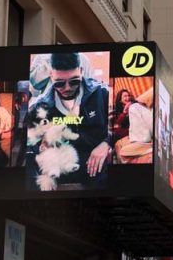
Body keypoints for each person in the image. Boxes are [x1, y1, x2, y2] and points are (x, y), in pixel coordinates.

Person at [27, 52, 112, 190]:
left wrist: (106, 143)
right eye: (59, 84)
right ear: (51, 75)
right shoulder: (40, 106)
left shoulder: (101, 94)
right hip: (59, 169)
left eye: (74, 81)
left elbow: (120, 127)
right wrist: (41, 146)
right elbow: (30, 141)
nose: (67, 88)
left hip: (97, 171)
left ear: (82, 71)